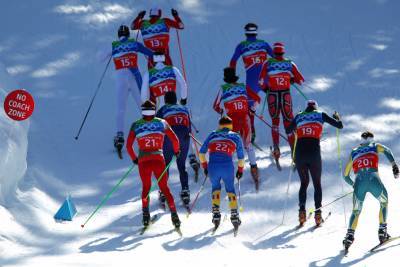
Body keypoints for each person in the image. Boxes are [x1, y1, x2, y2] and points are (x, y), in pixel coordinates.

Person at [285, 100, 343, 226]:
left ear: (306, 107)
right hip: (314, 153)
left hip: (300, 154)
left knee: (304, 183)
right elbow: (339, 126)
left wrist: (296, 125)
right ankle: (318, 214)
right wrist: (337, 118)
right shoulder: (320, 114)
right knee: (317, 184)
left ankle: (302, 212)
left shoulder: (300, 115)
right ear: (316, 107)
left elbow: (288, 130)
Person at [126, 100, 181, 228]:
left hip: (143, 160)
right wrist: (177, 151)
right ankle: (174, 215)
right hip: (158, 159)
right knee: (164, 188)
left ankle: (145, 214)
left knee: (146, 187)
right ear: (154, 110)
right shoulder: (162, 122)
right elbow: (175, 139)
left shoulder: (136, 125)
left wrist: (135, 158)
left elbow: (128, 145)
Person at [342, 131, 399, 250]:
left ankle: (349, 236)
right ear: (371, 139)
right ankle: (382, 231)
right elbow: (387, 150)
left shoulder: (354, 152)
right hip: (374, 180)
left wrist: (353, 184)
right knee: (384, 202)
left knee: (356, 211)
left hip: (359, 183)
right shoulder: (374, 146)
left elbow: (345, 175)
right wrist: (394, 165)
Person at [107, 25, 153, 152]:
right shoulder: (134, 43)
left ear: (118, 35)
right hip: (134, 78)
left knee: (120, 108)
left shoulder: (114, 45)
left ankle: (120, 135)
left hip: (121, 79)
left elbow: (99, 57)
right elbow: (149, 52)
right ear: (128, 34)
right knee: (142, 105)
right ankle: (150, 129)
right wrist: (158, 55)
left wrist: (111, 53)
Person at [213, 67, 259, 190]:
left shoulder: (223, 88)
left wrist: (223, 112)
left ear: (226, 78)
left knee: (229, 146)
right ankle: (254, 168)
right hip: (245, 118)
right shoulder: (243, 86)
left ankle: (227, 171)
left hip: (231, 121)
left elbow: (215, 106)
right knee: (248, 145)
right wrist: (252, 110)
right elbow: (256, 100)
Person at [259, 42, 305, 160]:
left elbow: (260, 81)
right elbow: (300, 80)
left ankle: (276, 149)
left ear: (274, 53)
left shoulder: (268, 63)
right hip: (285, 96)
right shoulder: (289, 63)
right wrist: (291, 80)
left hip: (273, 96)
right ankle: (294, 150)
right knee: (288, 123)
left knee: (275, 122)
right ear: (283, 52)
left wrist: (266, 89)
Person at [230, 23, 274, 142]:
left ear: (246, 33)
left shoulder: (242, 46)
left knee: (249, 110)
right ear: (256, 32)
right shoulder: (263, 43)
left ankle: (251, 134)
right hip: (267, 80)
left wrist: (232, 78)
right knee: (277, 103)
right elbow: (275, 57)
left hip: (252, 82)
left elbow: (233, 61)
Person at [199, 116, 245, 230]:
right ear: (231, 126)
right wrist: (240, 170)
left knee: (215, 188)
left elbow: (201, 153)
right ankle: (234, 215)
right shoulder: (235, 136)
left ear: (220, 125)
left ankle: (215, 214)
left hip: (213, 167)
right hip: (227, 167)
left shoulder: (213, 134)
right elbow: (241, 157)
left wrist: (205, 167)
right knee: (230, 189)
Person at [156, 91, 191, 206]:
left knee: (165, 164)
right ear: (176, 99)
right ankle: (185, 189)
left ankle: (163, 191)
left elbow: (157, 125)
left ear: (165, 100)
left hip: (170, 138)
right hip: (184, 137)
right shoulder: (184, 108)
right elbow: (189, 126)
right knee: (181, 165)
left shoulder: (163, 109)